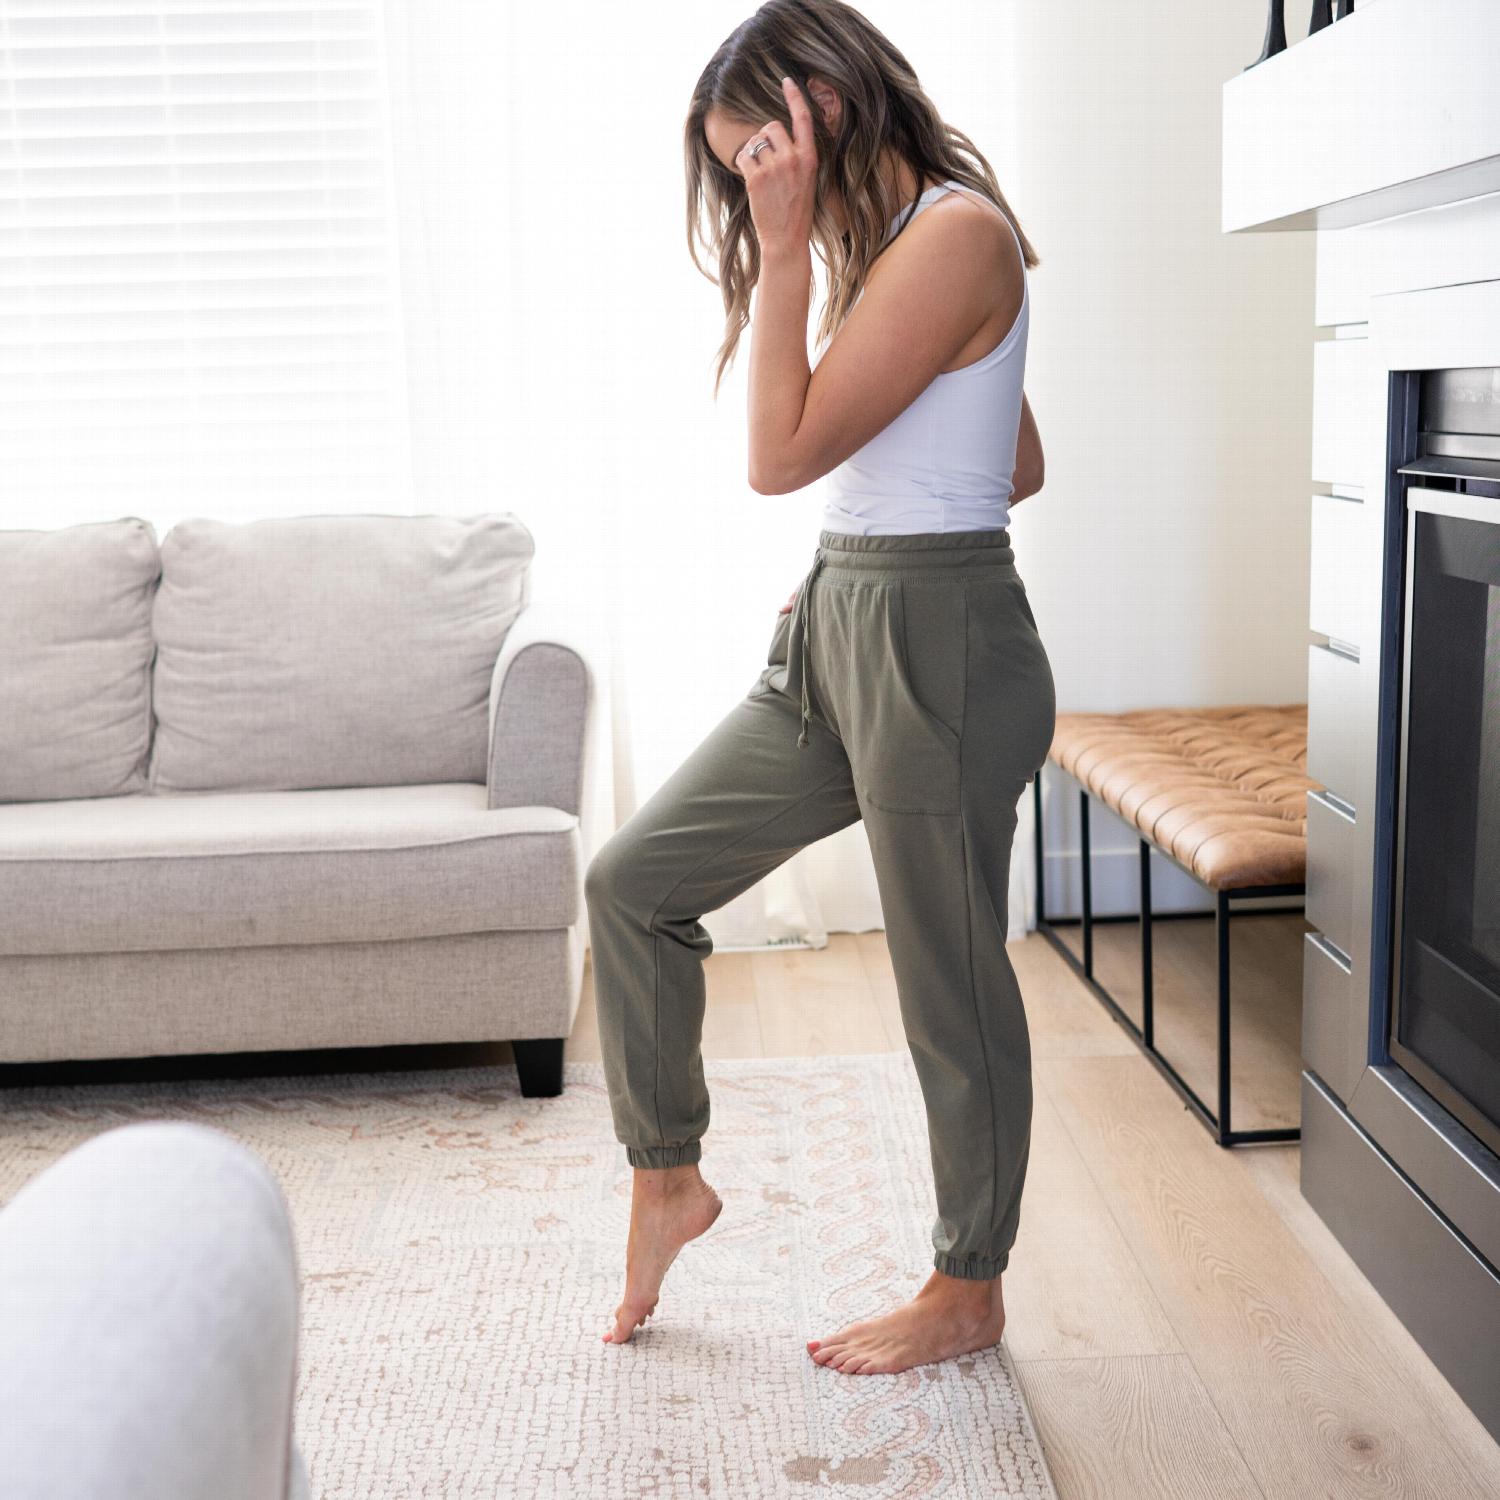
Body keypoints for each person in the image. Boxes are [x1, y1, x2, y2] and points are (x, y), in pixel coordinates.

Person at [584, 0, 1056, 1376]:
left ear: (821, 111)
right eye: (736, 172)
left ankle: (969, 1287)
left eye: (752, 160)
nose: (747, 191)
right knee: (635, 882)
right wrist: (860, 563)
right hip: (851, 616)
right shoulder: (898, 247)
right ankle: (668, 1174)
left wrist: (790, 252)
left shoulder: (956, 232)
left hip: (938, 640)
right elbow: (1011, 458)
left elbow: (775, 455)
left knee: (948, 983)